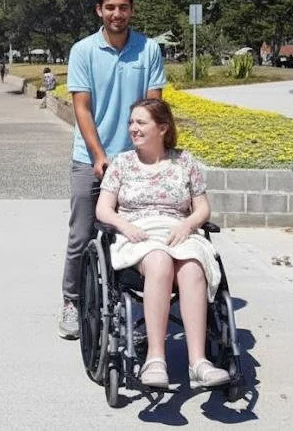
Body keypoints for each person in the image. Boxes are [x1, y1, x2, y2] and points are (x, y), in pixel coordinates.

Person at [95, 98, 229, 389]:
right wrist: (124, 225)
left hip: (178, 230)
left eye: (141, 122)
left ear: (163, 128)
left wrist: (188, 224)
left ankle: (198, 362)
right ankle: (155, 359)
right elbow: (103, 210)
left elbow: (202, 208)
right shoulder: (122, 163)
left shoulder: (185, 161)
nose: (133, 128)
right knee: (159, 259)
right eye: (131, 122)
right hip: (138, 232)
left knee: (193, 267)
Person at [59, 0, 166, 340]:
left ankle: (129, 306)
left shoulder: (148, 49)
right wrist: (99, 156)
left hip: (136, 161)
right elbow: (82, 108)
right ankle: (72, 302)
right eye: (110, 7)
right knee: (81, 235)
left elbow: (154, 106)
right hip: (90, 159)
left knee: (137, 235)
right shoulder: (83, 51)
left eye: (123, 7)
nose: (117, 14)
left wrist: (149, 155)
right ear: (99, 11)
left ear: (132, 10)